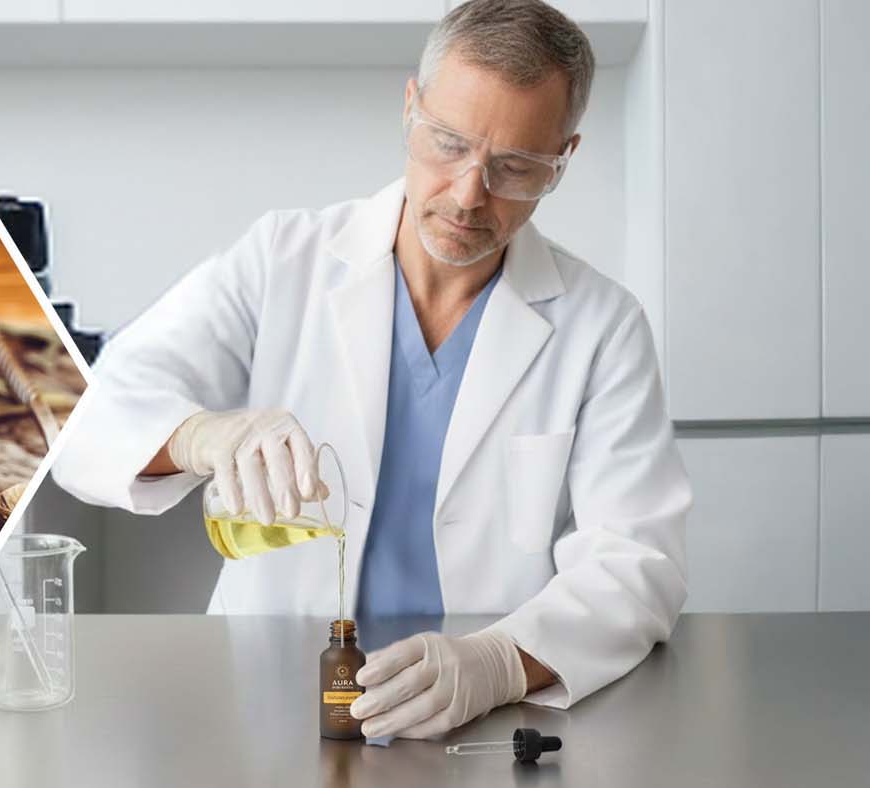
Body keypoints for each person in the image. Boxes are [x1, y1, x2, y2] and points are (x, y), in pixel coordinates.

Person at [51, 0, 690, 740]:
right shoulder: (282, 259)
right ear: (410, 108)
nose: (467, 194)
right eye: (448, 144)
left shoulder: (601, 326)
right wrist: (200, 435)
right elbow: (82, 413)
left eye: (514, 167)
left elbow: (639, 559)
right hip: (269, 696)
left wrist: (502, 660)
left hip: (481, 720)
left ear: (564, 159)